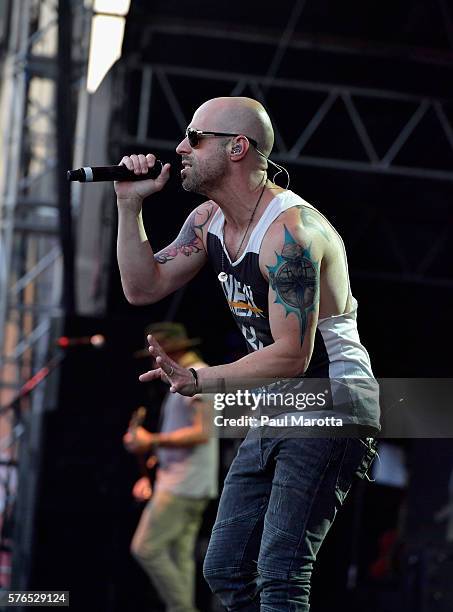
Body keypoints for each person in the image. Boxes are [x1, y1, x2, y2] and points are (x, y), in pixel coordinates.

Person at [115, 96, 380, 611]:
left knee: (280, 569)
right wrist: (129, 205)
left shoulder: (290, 234)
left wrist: (201, 378)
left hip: (332, 399)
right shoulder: (208, 219)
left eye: (195, 137)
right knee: (224, 567)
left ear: (238, 148)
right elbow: (142, 287)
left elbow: (290, 356)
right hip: (281, 403)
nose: (179, 148)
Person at [123, 322, 218, 612]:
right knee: (180, 556)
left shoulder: (199, 376)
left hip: (183, 483)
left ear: (171, 352)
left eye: (156, 357)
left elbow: (202, 432)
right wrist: (155, 455)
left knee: (146, 548)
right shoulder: (189, 378)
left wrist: (151, 441)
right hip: (185, 480)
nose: (154, 364)